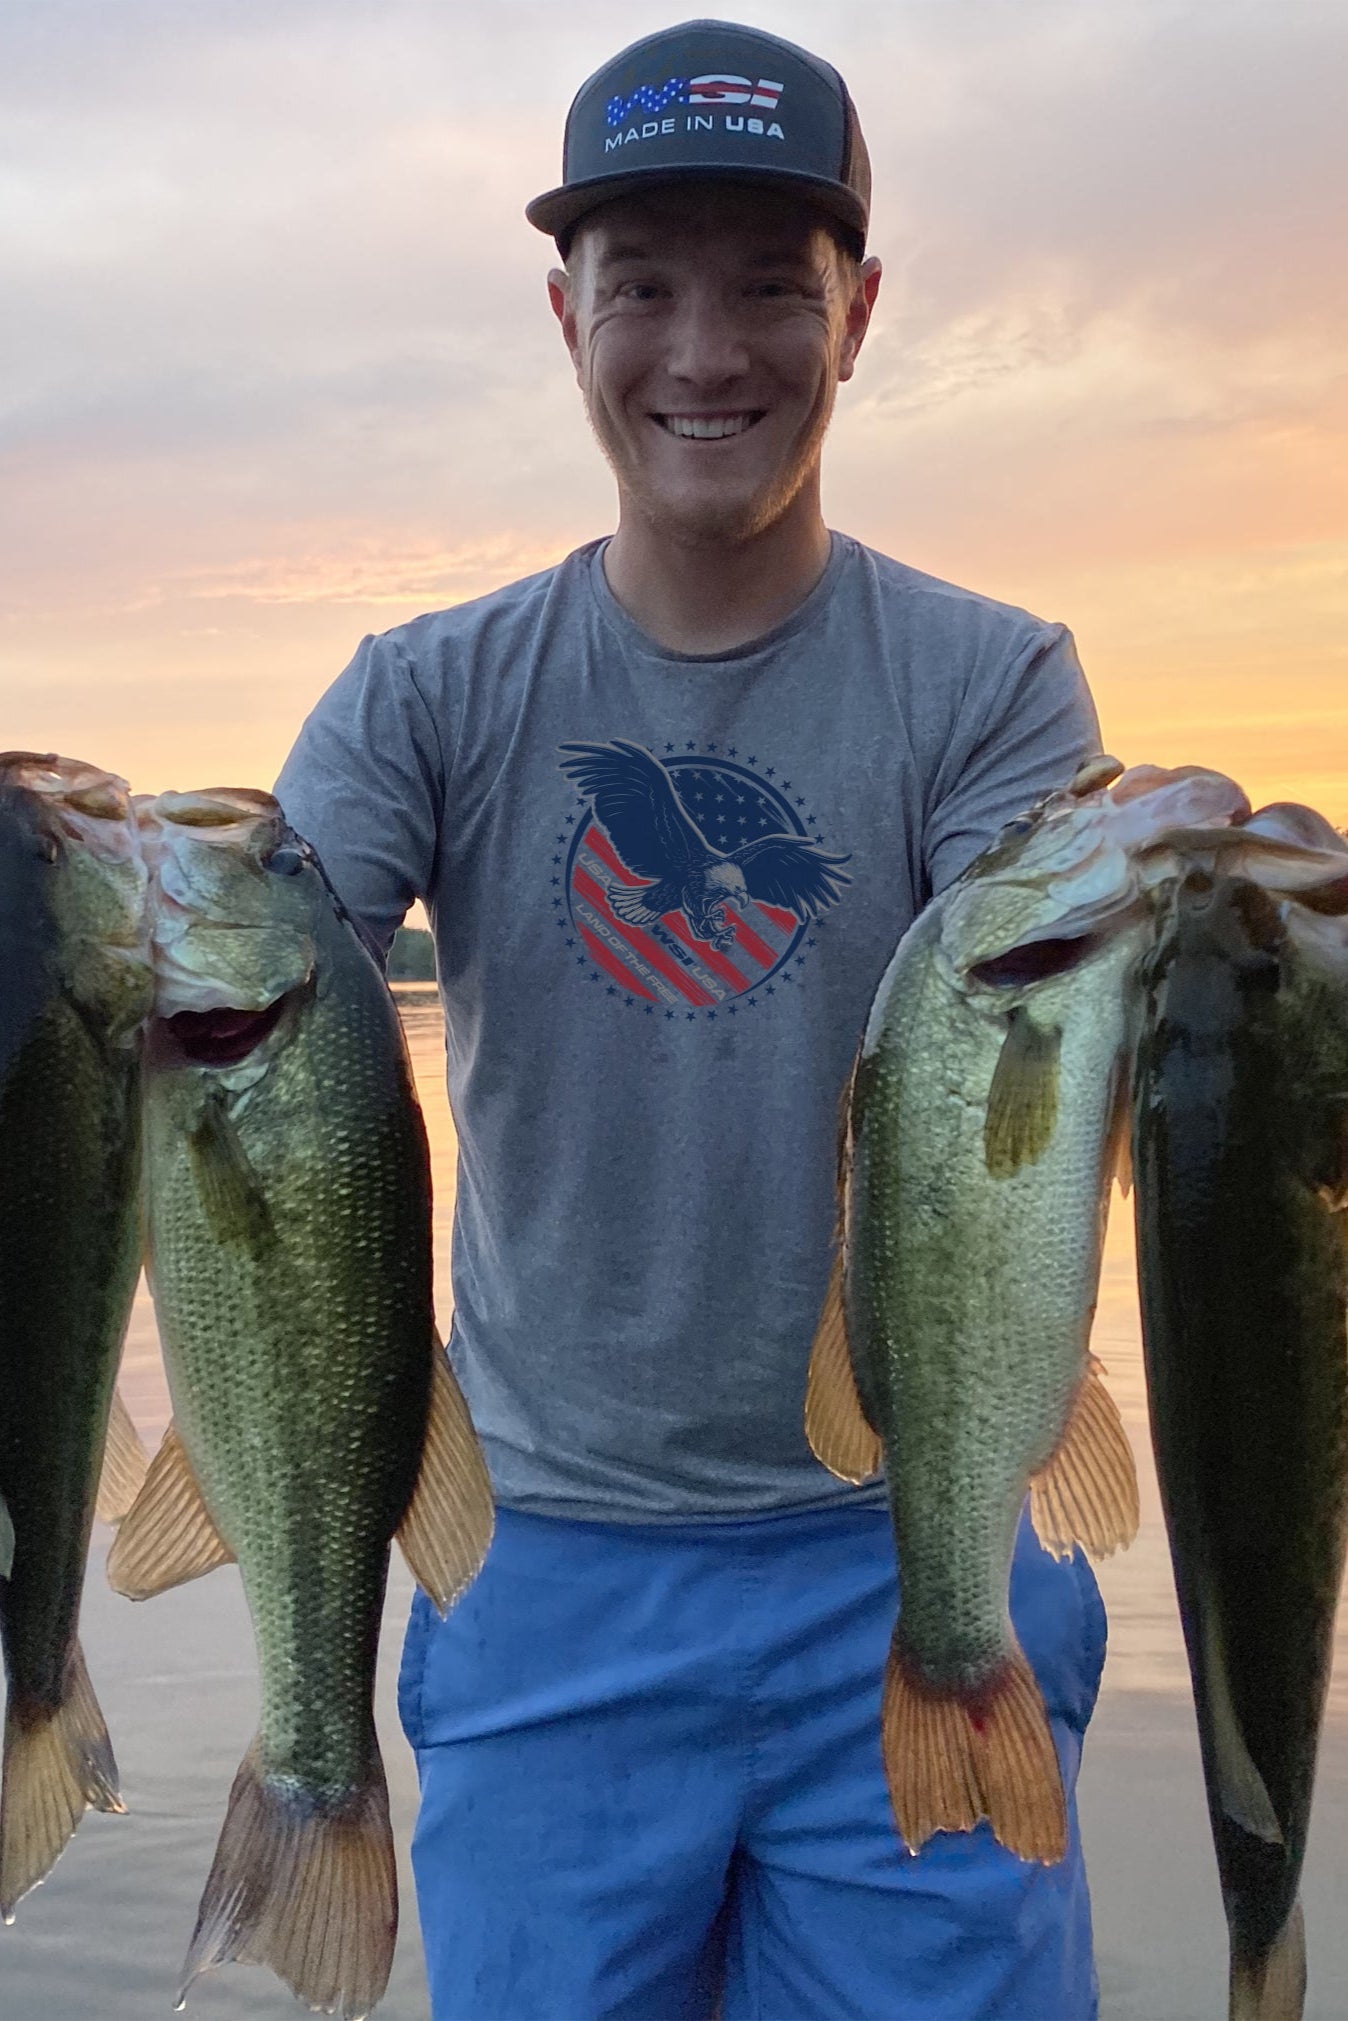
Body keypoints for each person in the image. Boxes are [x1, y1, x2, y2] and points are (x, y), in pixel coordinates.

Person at [276, 20, 1107, 2019]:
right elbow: (256, 975)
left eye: (769, 284)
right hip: (546, 1575)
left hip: (908, 1552)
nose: (705, 353)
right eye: (642, 284)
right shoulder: (425, 693)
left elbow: (1040, 1029)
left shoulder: (994, 687)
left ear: (862, 311)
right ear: (563, 311)